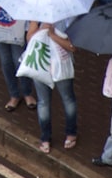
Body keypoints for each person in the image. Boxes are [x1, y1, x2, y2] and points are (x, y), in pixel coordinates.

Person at [25, 20, 77, 153]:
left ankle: (71, 133)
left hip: (61, 65)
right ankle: (45, 138)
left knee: (68, 99)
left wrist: (53, 35)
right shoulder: (36, 16)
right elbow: (29, 39)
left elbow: (72, 47)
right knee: (43, 102)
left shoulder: (68, 18)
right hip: (40, 64)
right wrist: (41, 30)